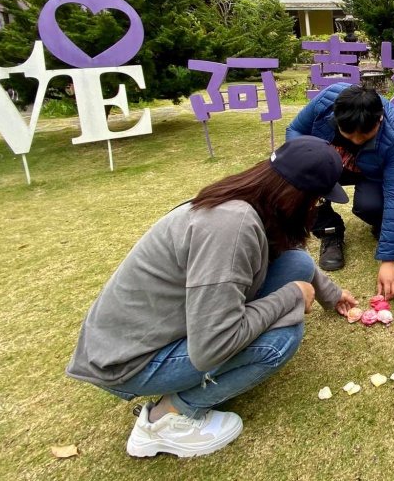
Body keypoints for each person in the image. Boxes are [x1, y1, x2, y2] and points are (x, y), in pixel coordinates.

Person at [66, 136, 358, 458]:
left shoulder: (247, 200)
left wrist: (332, 295)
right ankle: (167, 419)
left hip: (150, 333)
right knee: (282, 338)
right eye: (317, 200)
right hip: (128, 362)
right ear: (296, 198)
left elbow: (290, 257)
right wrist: (291, 296)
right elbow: (212, 347)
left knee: (298, 263)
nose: (316, 209)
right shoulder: (231, 227)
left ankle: (172, 408)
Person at [286, 82, 394, 299]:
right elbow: (296, 129)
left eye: (365, 136)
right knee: (298, 177)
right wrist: (304, 165)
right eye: (348, 134)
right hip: (331, 162)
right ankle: (330, 231)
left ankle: (379, 223)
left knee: (372, 207)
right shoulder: (327, 101)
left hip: (372, 172)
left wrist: (389, 260)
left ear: (380, 118)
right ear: (335, 119)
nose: (356, 141)